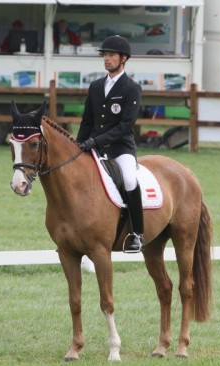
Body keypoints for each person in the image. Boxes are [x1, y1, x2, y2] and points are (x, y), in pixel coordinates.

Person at [76, 35, 144, 253]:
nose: (107, 59)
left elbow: (125, 126)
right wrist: (77, 146)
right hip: (95, 147)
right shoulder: (96, 87)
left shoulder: (131, 88)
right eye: (105, 55)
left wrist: (96, 140)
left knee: (129, 179)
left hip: (121, 148)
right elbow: (87, 121)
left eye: (111, 55)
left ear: (123, 58)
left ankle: (136, 234)